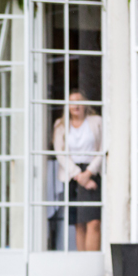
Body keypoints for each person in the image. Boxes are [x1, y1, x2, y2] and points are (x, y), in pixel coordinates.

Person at [53, 90, 103, 252]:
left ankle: (92, 261)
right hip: (71, 175)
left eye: (79, 101)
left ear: (85, 104)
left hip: (92, 172)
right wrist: (78, 175)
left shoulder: (96, 121)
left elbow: (104, 148)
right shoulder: (60, 125)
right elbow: (59, 153)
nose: (76, 105)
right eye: (72, 102)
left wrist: (88, 173)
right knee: (78, 223)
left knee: (94, 221)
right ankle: (82, 260)